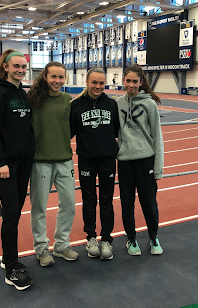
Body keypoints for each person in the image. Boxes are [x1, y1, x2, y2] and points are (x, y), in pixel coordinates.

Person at [0, 49, 35, 290]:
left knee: (16, 211)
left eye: (24, 67)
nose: (21, 70)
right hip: (6, 164)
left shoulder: (21, 92)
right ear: (5, 66)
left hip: (24, 162)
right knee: (11, 212)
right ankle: (12, 267)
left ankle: (7, 258)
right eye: (16, 66)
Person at [27, 62, 78, 267]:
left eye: (61, 77)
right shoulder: (32, 99)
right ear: (45, 77)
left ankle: (61, 245)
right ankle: (41, 248)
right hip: (40, 162)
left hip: (65, 160)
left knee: (69, 205)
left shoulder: (68, 99)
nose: (57, 81)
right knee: (39, 207)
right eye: (53, 77)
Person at [70, 68, 119, 260]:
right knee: (89, 201)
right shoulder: (76, 106)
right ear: (87, 82)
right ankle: (91, 237)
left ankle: (106, 239)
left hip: (107, 159)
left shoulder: (111, 104)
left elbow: (116, 130)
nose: (98, 86)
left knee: (106, 200)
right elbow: (70, 132)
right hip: (86, 160)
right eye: (94, 82)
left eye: (101, 83)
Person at [116, 64, 164, 256]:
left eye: (135, 81)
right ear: (123, 81)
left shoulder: (150, 104)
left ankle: (153, 237)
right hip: (125, 162)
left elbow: (157, 137)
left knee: (149, 203)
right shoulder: (118, 103)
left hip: (146, 162)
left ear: (141, 83)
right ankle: (131, 239)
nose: (131, 84)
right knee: (126, 203)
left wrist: (158, 168)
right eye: (128, 81)